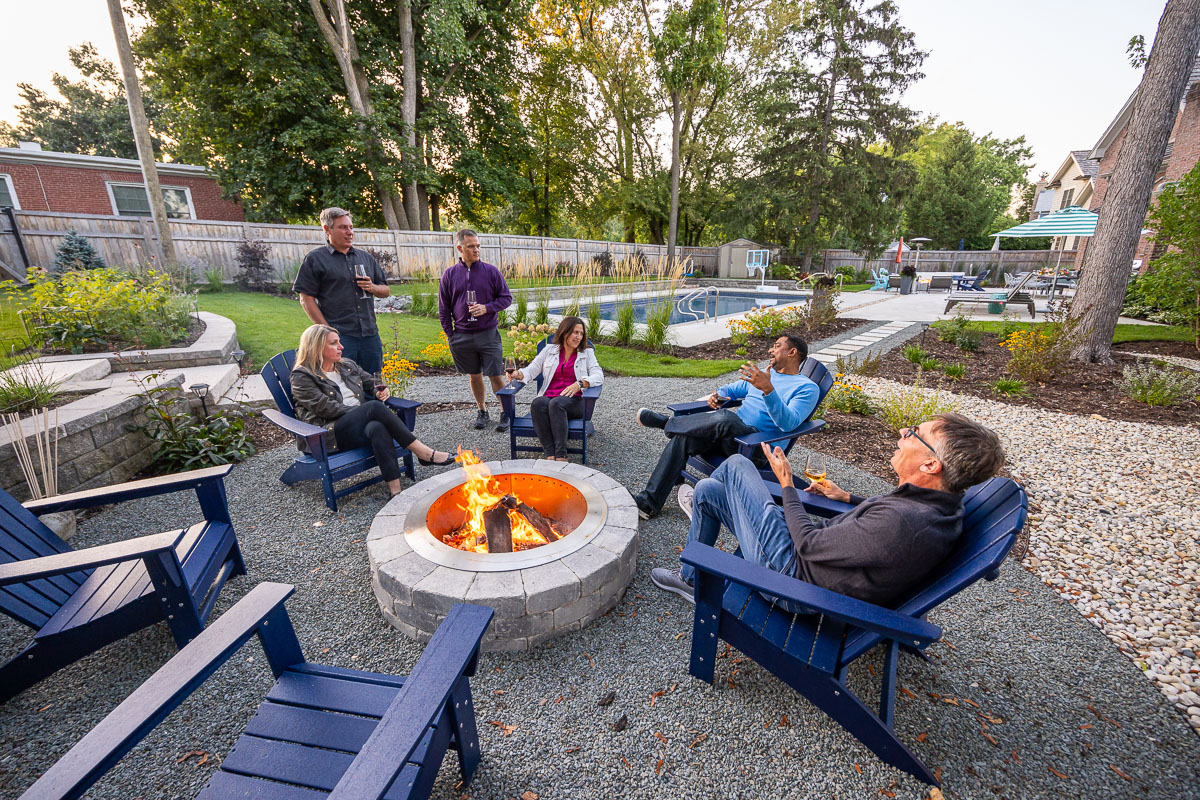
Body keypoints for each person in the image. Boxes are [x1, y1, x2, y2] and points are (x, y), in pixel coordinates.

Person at [650, 413, 1007, 609]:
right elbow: (884, 519)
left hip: (791, 580)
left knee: (737, 468)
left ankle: (714, 532)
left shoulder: (903, 523)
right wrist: (848, 497)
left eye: (915, 434)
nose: (903, 432)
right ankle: (691, 577)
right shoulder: (937, 506)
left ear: (931, 465)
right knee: (711, 491)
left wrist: (786, 483)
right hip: (812, 567)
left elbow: (807, 545)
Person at [631, 334, 820, 520]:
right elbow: (730, 389)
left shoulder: (807, 388)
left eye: (777, 346)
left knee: (726, 418)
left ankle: (667, 423)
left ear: (792, 352)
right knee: (686, 436)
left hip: (757, 449)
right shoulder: (764, 375)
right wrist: (718, 396)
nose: (771, 349)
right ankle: (648, 503)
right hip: (729, 438)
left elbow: (788, 424)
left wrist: (768, 390)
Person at [291, 325, 455, 497]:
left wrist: (379, 391)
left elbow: (371, 382)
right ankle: (423, 453)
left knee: (377, 427)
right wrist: (362, 412)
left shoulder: (346, 365)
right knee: (373, 408)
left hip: (356, 427)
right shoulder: (302, 376)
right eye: (334, 343)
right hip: (328, 433)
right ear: (317, 347)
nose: (341, 347)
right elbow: (325, 408)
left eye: (339, 342)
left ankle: (395, 492)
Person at [293, 207, 391, 374]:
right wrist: (327, 332)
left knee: (374, 383)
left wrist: (372, 287)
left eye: (351, 227)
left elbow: (386, 290)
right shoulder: (315, 259)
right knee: (342, 384)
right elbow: (306, 299)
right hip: (340, 337)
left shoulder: (365, 257)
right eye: (343, 227)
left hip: (370, 335)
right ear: (327, 229)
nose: (349, 232)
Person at [438, 229, 514, 432]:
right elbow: (443, 308)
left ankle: (505, 412)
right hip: (461, 336)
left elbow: (506, 298)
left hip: (488, 333)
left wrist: (487, 308)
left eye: (478, 245)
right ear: (460, 248)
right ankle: (482, 411)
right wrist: (451, 335)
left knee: (496, 374)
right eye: (471, 246)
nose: (476, 250)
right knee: (474, 375)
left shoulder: (491, 271)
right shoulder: (450, 274)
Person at [506, 316, 603, 461]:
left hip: (575, 402)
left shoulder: (586, 353)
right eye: (575, 332)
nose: (579, 336)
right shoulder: (549, 350)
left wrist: (581, 383)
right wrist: (518, 374)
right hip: (551, 398)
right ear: (565, 333)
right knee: (538, 403)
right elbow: (532, 370)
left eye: (581, 333)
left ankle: (561, 455)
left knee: (556, 404)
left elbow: (599, 375)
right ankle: (549, 454)